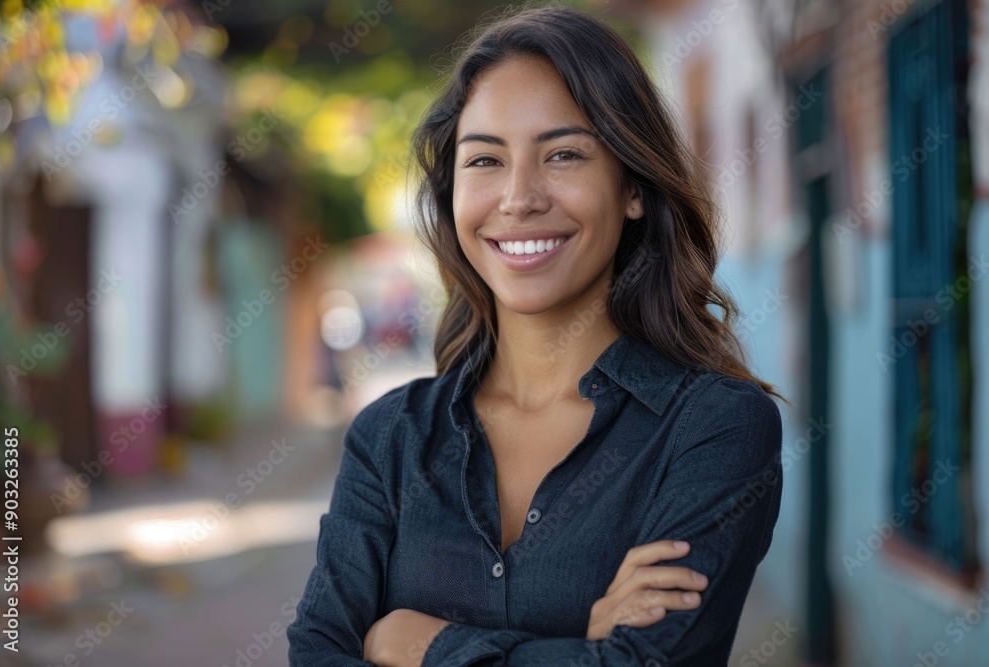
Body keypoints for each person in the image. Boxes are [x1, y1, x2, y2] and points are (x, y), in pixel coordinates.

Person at [287, 5, 787, 666]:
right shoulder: (389, 439)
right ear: (452, 196)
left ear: (632, 186)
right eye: (485, 160)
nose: (519, 197)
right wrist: (581, 646)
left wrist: (410, 640)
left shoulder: (714, 429)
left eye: (563, 154)